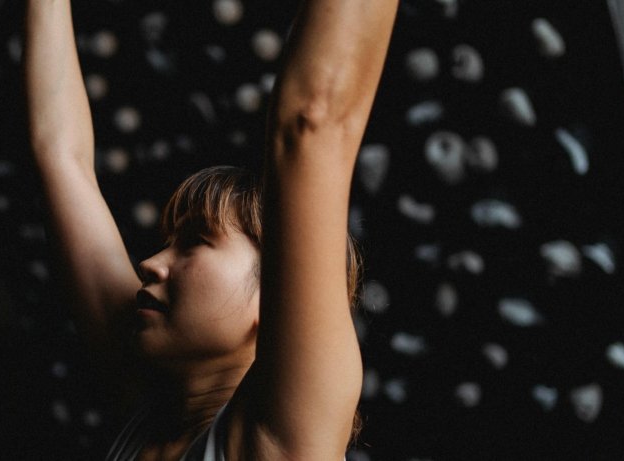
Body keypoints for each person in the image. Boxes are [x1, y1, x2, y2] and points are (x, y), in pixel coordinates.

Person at [25, 0, 397, 459]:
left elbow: (311, 121)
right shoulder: (148, 409)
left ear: (275, 295)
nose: (150, 263)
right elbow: (61, 156)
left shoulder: (282, 437)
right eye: (169, 243)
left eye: (197, 242)